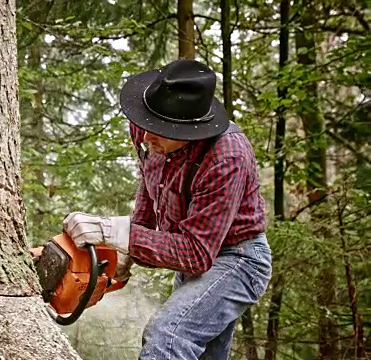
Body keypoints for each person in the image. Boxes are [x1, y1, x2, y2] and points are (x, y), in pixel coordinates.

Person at [61, 59, 273, 359]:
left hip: (237, 258)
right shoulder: (148, 128)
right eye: (147, 126)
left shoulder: (226, 157)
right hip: (191, 258)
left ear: (190, 131)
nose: (146, 137)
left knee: (169, 336)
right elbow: (150, 180)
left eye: (159, 131)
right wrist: (127, 250)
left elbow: (197, 254)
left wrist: (117, 231)